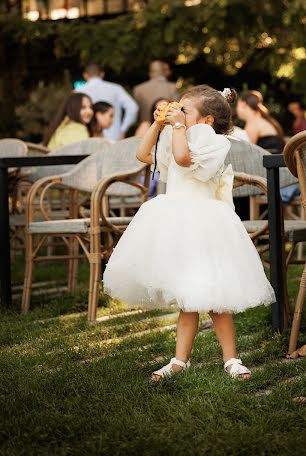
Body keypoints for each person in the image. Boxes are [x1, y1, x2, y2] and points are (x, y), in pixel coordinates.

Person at [103, 85, 275, 380]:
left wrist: (178, 127)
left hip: (205, 224)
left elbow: (183, 159)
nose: (176, 113)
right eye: (177, 108)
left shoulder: (215, 142)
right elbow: (143, 154)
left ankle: (231, 359)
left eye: (184, 109)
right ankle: (179, 361)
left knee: (216, 298)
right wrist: (159, 125)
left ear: (206, 121)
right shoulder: (176, 134)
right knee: (187, 298)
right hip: (177, 222)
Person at [80, 63, 138, 141]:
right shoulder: (116, 89)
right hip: (114, 138)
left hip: (87, 139)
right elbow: (133, 107)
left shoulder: (78, 91)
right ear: (102, 74)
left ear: (85, 75)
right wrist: (123, 129)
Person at [133, 60, 179, 134]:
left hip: (145, 131)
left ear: (150, 73)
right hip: (167, 131)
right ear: (163, 72)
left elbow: (135, 114)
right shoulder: (172, 88)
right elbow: (177, 110)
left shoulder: (138, 89)